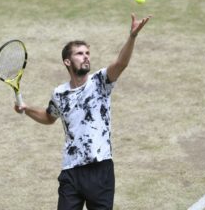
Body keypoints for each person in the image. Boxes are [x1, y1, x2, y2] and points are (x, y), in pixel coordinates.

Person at [15, 13, 151, 210]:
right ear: (67, 61)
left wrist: (132, 37)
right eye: (79, 53)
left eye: (87, 53)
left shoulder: (100, 82)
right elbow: (48, 117)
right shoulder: (59, 93)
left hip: (100, 168)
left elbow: (121, 64)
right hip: (71, 170)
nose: (86, 56)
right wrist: (26, 109)